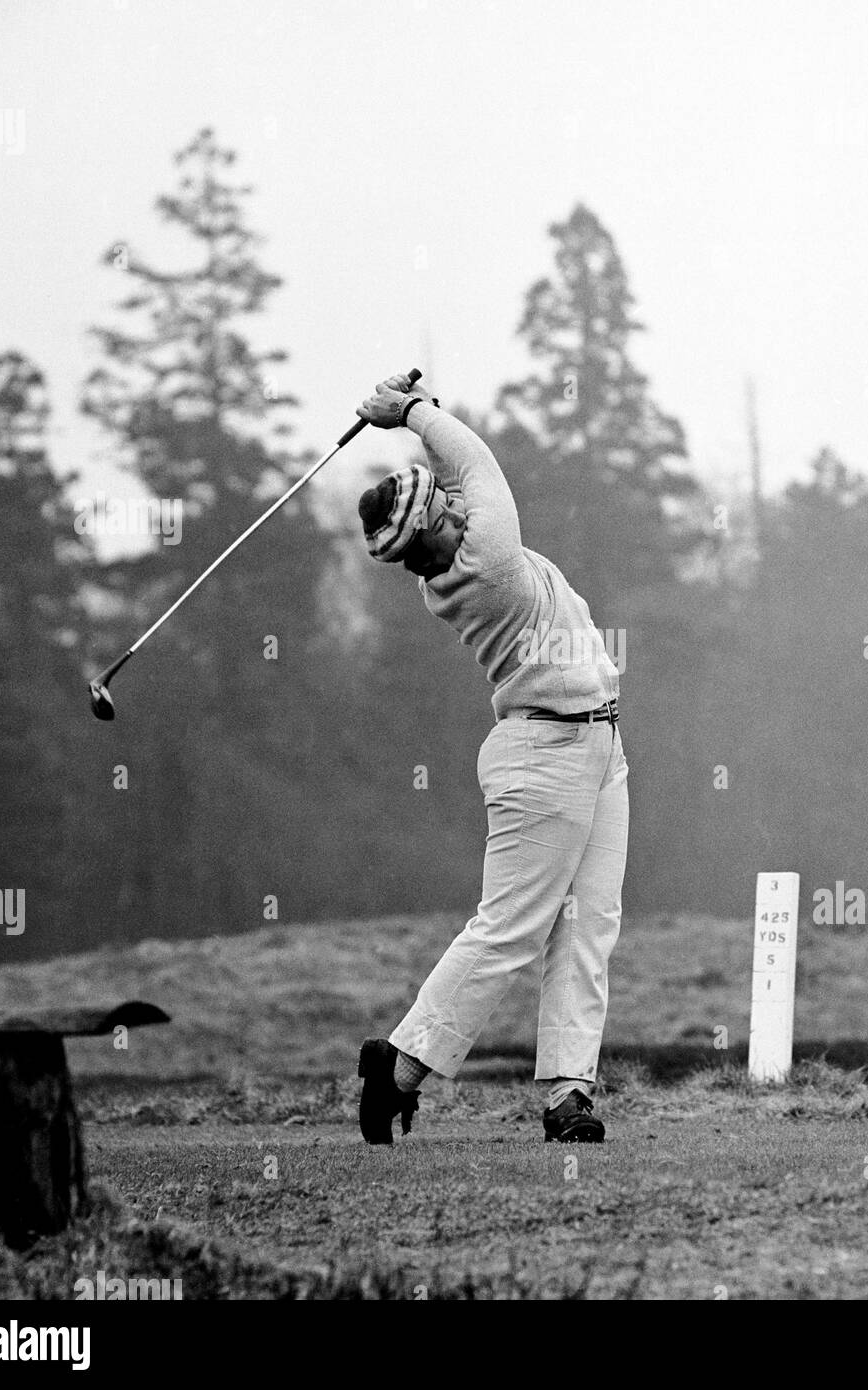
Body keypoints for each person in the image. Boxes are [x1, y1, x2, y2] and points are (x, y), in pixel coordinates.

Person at [354, 372, 629, 1145]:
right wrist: (407, 414)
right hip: (546, 750)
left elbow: (454, 477)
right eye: (440, 510)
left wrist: (411, 418)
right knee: (510, 927)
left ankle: (567, 1096)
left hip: (594, 744)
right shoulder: (492, 560)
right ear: (433, 534)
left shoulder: (445, 560)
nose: (452, 504)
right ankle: (400, 1065)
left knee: (587, 924)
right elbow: (476, 466)